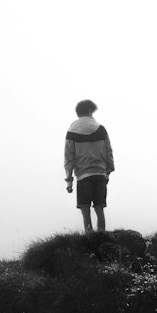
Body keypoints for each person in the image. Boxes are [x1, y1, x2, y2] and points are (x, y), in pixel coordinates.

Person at [64, 99, 114, 232]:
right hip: (100, 173)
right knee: (99, 208)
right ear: (90, 111)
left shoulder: (71, 132)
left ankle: (89, 236)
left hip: (82, 175)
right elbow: (108, 151)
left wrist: (69, 180)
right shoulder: (101, 129)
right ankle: (102, 237)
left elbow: (69, 158)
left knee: (85, 209)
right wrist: (108, 171)